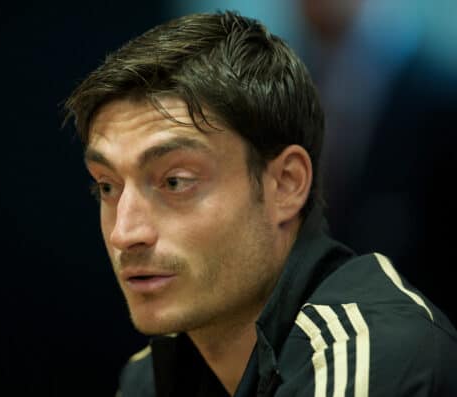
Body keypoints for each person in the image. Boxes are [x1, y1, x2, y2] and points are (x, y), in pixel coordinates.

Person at [63, 11, 457, 397]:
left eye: (175, 182)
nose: (124, 233)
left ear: (286, 185)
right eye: (107, 187)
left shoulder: (376, 355)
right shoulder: (150, 375)